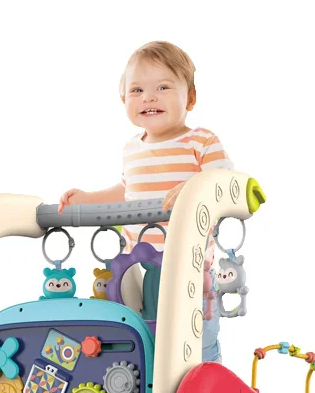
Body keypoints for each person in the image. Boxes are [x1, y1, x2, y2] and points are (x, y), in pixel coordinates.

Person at [58, 41, 234, 362]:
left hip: (192, 267)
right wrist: (87, 199)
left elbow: (224, 180)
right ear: (124, 100)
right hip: (141, 266)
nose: (149, 97)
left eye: (163, 87)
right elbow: (128, 191)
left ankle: (207, 382)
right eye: (137, 90)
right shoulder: (132, 149)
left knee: (198, 341)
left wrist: (194, 187)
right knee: (148, 338)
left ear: (190, 98)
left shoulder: (201, 142)